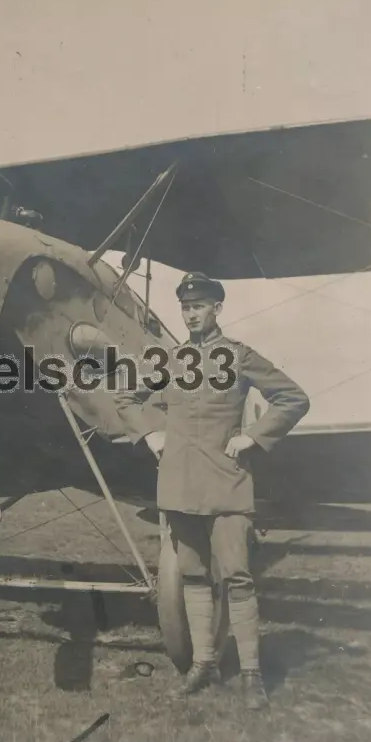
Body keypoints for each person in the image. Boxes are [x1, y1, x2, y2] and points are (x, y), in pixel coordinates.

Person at [114, 271, 310, 710]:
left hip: (227, 481)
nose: (191, 314)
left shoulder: (238, 356)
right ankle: (203, 664)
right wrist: (151, 434)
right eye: (185, 307)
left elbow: (293, 398)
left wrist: (252, 437)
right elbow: (125, 397)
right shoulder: (168, 360)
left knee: (237, 576)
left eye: (199, 306)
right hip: (180, 483)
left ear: (217, 308)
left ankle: (252, 674)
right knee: (193, 574)